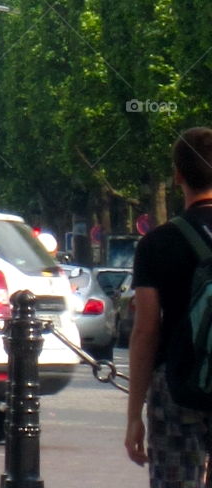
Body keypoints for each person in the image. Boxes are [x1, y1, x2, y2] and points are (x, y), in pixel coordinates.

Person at [125, 127, 212, 487]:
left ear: (178, 176)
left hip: (176, 384)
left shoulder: (157, 243)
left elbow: (146, 330)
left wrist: (134, 415)